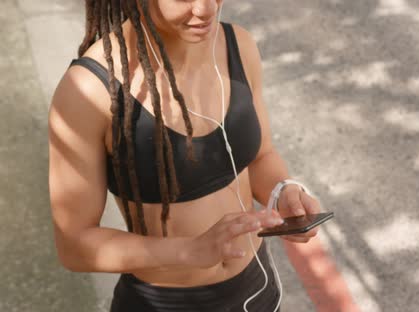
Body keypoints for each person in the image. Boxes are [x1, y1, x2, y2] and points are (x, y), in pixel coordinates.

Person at [47, 0, 322, 311]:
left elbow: (260, 157)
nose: (205, 9)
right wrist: (188, 251)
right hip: (166, 303)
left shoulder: (238, 45)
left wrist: (283, 192)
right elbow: (74, 245)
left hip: (258, 288)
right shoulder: (88, 89)